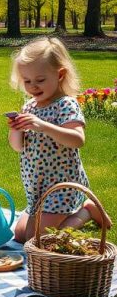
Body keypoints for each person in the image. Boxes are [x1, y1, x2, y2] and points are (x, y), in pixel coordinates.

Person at [7, 37, 109, 243]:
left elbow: (77, 140)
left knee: (37, 240)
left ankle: (86, 211)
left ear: (60, 75)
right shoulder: (29, 107)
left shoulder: (65, 105)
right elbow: (17, 147)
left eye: (40, 80)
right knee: (19, 235)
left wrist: (43, 126)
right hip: (37, 189)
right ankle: (79, 212)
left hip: (62, 187)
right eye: (27, 81)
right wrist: (16, 130)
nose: (33, 86)